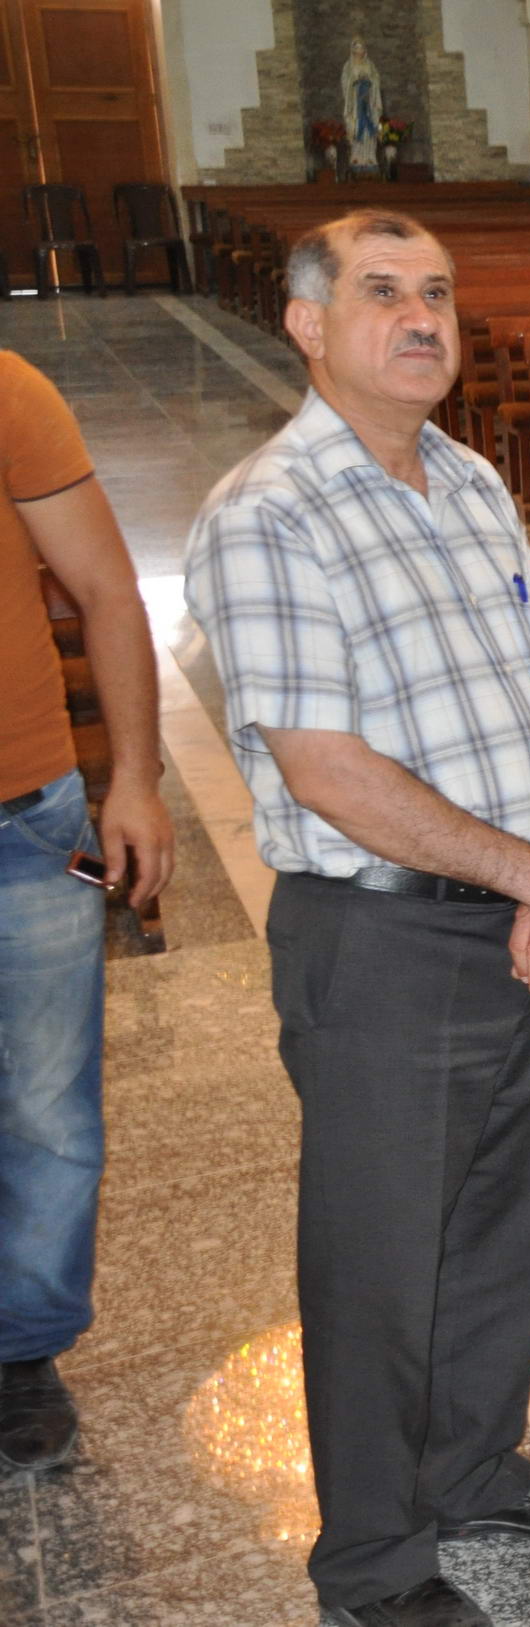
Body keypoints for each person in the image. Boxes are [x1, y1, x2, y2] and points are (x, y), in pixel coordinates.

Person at [186, 210, 530, 1627]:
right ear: (308, 324)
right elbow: (327, 770)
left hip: (521, 911)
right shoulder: (269, 513)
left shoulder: (467, 477)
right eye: (382, 292)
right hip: (382, 943)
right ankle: (373, 1568)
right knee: (380, 1266)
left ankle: (473, 1465)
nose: (422, 317)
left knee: (502, 1227)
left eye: (436, 291)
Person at [0, 353, 174, 1474]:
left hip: (23, 820)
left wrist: (138, 781)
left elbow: (108, 589)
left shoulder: (8, 392)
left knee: (47, 1107)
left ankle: (22, 1347)